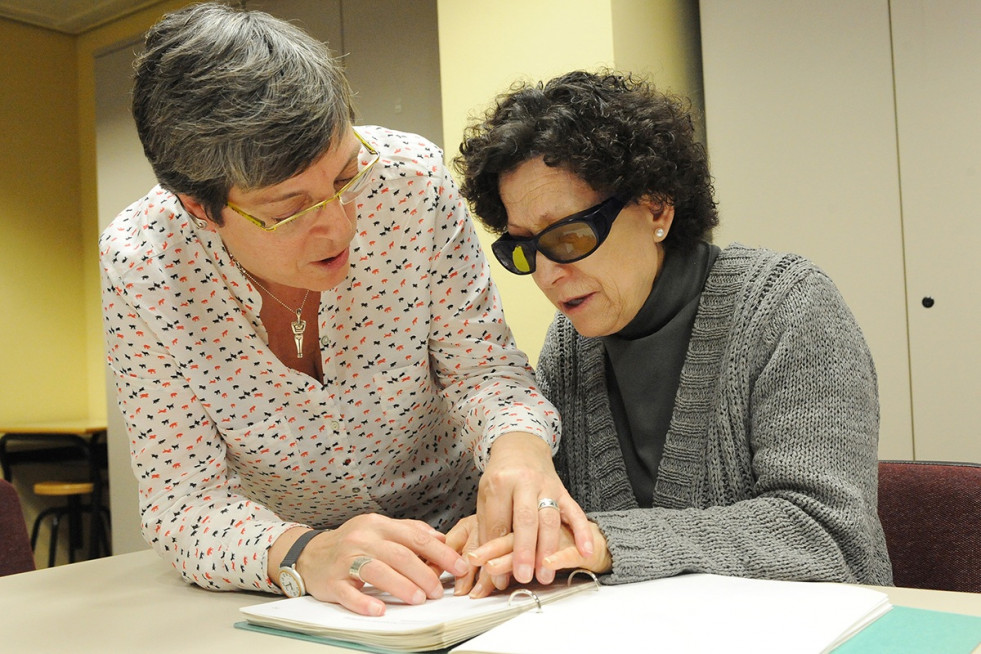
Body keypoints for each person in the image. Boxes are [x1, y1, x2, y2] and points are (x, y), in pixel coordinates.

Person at [100, 4, 590, 617]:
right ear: (201, 209)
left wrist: (519, 453)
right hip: (306, 584)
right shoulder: (145, 264)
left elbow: (486, 372)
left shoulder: (412, 184)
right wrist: (302, 552)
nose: (339, 226)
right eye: (289, 210)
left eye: (346, 175)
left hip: (465, 551)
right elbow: (183, 500)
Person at [449, 70, 893, 594]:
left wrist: (607, 541)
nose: (546, 276)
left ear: (656, 206)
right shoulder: (571, 345)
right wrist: (519, 529)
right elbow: (561, 518)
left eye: (569, 236)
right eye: (524, 249)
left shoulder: (788, 307)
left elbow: (827, 539)